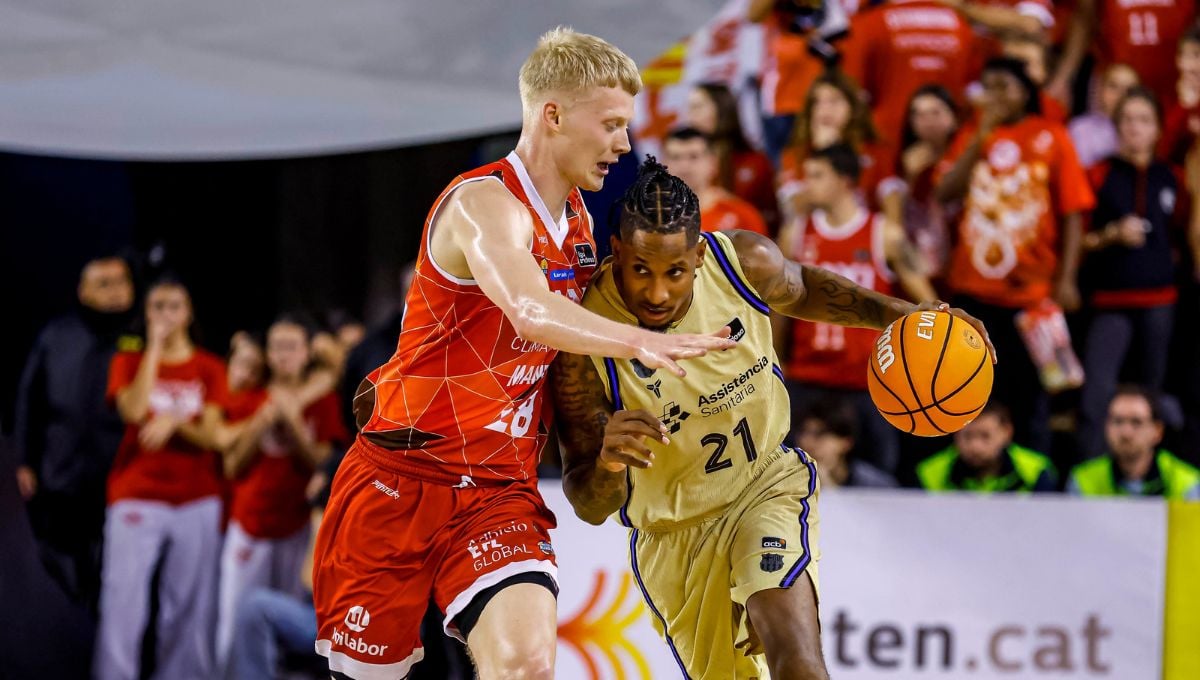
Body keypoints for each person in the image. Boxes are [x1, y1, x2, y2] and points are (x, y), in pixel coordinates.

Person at [311, 28, 736, 680]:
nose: (625, 144)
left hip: (494, 493)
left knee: (528, 665)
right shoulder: (483, 204)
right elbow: (530, 308)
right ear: (554, 115)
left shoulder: (581, 225)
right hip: (398, 482)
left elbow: (569, 354)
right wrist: (645, 343)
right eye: (613, 124)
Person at [550, 158, 992, 679]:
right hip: (675, 538)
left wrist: (907, 316)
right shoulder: (583, 340)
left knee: (797, 662)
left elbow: (803, 289)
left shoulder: (742, 263)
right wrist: (607, 463)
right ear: (616, 252)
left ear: (697, 254)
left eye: (675, 272)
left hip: (765, 486)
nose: (657, 292)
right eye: (640, 269)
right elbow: (588, 503)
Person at [935, 56, 1095, 453]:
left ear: (1026, 92)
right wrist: (979, 136)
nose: (994, 95)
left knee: (1032, 397)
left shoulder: (1052, 136)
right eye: (987, 86)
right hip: (973, 293)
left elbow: (1073, 212)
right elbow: (944, 192)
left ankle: (1031, 480)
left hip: (1031, 295)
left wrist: (1067, 278)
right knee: (968, 389)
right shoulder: (974, 133)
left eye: (1003, 86)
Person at [94, 276, 227, 680]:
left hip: (197, 498)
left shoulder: (209, 366)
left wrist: (175, 422)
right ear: (146, 314)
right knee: (123, 604)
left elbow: (214, 435)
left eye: (174, 306)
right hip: (137, 496)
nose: (166, 314)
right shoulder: (128, 361)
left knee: (188, 606)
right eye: (157, 306)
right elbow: (133, 412)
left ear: (188, 313)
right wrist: (153, 347)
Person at [784, 143, 936, 475]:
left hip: (868, 383)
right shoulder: (795, 233)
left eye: (817, 176)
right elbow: (778, 307)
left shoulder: (885, 234)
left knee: (879, 478)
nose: (807, 185)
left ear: (845, 180)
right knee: (790, 478)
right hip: (808, 376)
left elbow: (928, 304)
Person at [216, 316, 347, 671]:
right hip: (249, 524)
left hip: (297, 530)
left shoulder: (323, 401)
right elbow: (232, 466)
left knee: (285, 636)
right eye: (277, 347)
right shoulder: (251, 395)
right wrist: (260, 422)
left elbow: (326, 466)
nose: (284, 355)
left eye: (292, 347)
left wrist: (293, 423)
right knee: (232, 629)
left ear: (306, 353)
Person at [1077, 87, 1197, 457]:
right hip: (1110, 300)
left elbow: (1182, 230)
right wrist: (1110, 235)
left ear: (1158, 130)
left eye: (1144, 120)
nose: (1134, 128)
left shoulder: (1172, 177)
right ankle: (1090, 473)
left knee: (1153, 394)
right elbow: (1078, 241)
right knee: (1097, 393)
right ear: (1115, 127)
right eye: (1127, 120)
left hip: (1161, 300)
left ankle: (1152, 476)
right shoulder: (1098, 173)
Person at [14, 255, 135, 615]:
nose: (115, 292)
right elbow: (29, 399)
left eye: (121, 282)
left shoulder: (144, 335)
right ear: (83, 291)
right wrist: (25, 460)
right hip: (62, 470)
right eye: (104, 284)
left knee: (113, 567)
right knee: (58, 559)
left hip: (121, 476)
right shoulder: (57, 335)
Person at [777, 69, 905, 248]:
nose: (825, 109)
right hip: (814, 246)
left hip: (866, 246)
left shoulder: (876, 151)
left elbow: (893, 209)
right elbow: (797, 210)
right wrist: (824, 153)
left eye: (834, 100)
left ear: (853, 109)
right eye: (817, 102)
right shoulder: (796, 155)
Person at [839, 0, 979, 143]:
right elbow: (973, 91)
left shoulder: (869, 24)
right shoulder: (962, 25)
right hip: (950, 142)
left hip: (887, 139)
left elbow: (850, 89)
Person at [1068, 385, 1200, 499]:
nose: (1126, 433)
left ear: (1157, 431)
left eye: (1136, 422)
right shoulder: (1083, 480)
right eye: (1117, 421)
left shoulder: (1186, 484)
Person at [685, 83, 780, 230]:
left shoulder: (755, 162)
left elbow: (772, 216)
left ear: (721, 108)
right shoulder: (682, 167)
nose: (690, 116)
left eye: (697, 107)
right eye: (690, 108)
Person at [898, 85, 963, 284]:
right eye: (919, 114)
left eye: (936, 112)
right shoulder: (904, 162)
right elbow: (900, 220)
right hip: (922, 266)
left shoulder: (965, 159)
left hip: (961, 260)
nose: (927, 121)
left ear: (954, 119)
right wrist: (909, 178)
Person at [916, 402, 1057, 492]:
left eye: (985, 436)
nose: (975, 446)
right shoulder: (929, 472)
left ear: (1007, 432)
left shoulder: (1037, 471)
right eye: (967, 436)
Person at [663, 127, 769, 236]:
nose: (684, 166)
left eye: (693, 157)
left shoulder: (742, 216)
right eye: (675, 157)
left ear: (712, 163)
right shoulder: (650, 221)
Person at [795, 398, 897, 488]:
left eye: (820, 434)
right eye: (803, 432)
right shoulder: (785, 481)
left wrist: (828, 487)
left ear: (846, 442)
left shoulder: (877, 487)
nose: (806, 442)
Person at [1068, 63, 1140, 167]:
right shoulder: (1079, 129)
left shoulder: (1142, 130)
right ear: (1101, 88)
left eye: (1129, 90)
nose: (1120, 95)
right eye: (1113, 86)